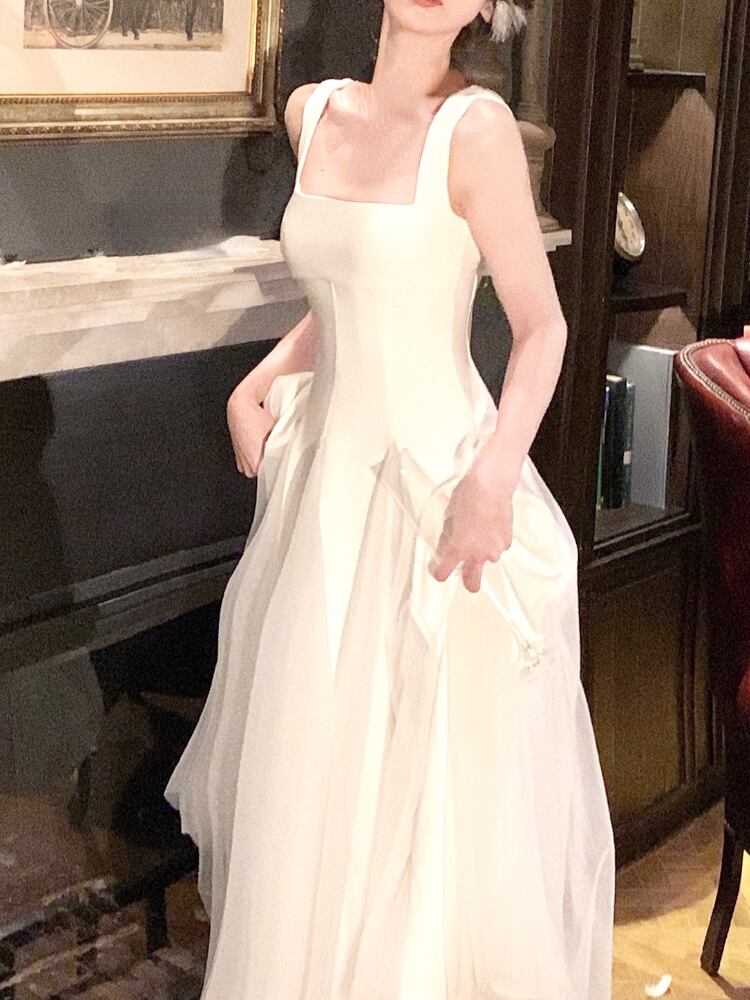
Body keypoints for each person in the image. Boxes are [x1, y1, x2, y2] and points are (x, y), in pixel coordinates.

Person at [164, 0, 617, 997]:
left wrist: (493, 478)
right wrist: (254, 384)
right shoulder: (311, 111)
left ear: (488, 8)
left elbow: (541, 330)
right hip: (327, 497)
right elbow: (350, 295)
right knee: (317, 791)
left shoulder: (477, 131)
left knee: (423, 806)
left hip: (434, 499)